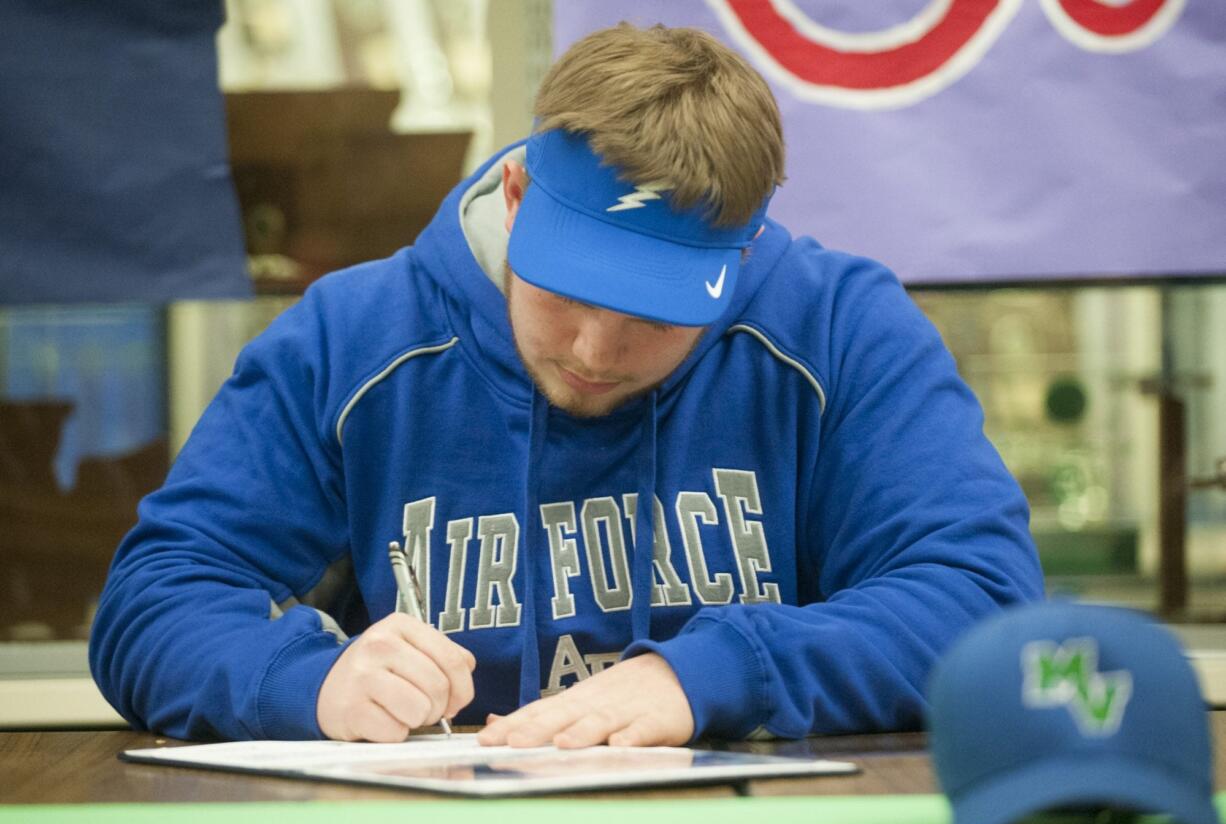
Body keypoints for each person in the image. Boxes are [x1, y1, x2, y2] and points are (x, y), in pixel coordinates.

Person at [89, 23, 1043, 746]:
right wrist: (306, 682)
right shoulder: (352, 337)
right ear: (515, 199)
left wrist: (713, 676)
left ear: (741, 254)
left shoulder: (836, 328)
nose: (593, 348)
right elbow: (153, 600)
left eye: (655, 317)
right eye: (565, 291)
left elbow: (983, 598)